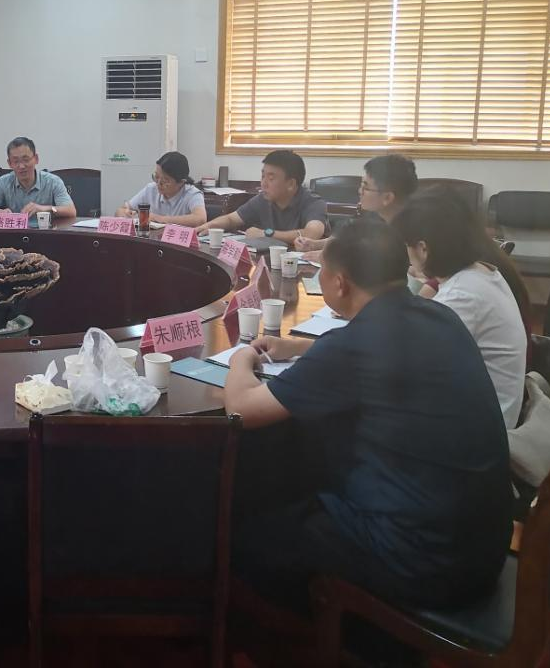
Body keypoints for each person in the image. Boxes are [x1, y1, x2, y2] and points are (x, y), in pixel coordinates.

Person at [224, 219, 511, 610]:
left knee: (249, 532)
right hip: (480, 547)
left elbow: (241, 409)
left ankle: (314, 631)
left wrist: (241, 359)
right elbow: (377, 356)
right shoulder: (439, 316)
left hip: (419, 559)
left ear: (340, 283)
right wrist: (299, 348)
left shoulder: (356, 346)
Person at [393, 188, 529, 428]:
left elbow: (407, 365)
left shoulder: (462, 296)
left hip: (480, 431)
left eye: (406, 246)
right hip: (478, 413)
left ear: (423, 249)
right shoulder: (479, 272)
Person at [294, 154, 418, 256]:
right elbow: (345, 237)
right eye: (361, 185)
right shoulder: (371, 213)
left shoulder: (414, 228)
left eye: (365, 187)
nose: (359, 191)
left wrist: (332, 258)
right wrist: (315, 244)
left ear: (387, 198)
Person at [198, 149, 326, 246]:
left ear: (291, 184)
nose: (263, 183)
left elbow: (312, 234)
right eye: (263, 176)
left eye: (271, 178)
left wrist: (266, 234)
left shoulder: (313, 202)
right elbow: (231, 219)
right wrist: (209, 226)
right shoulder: (263, 199)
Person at [0, 137, 77, 220]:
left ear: (36, 159)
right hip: (14, 234)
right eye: (16, 161)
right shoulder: (4, 182)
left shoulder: (53, 181)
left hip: (45, 234)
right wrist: (0, 212)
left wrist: (45, 209)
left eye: (26, 160)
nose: (21, 166)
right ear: (10, 163)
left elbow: (71, 211)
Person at [117, 151, 206, 228]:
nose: (158, 183)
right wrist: (126, 214)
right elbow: (121, 209)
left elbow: (200, 218)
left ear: (181, 182)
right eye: (156, 177)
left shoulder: (192, 194)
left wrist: (158, 219)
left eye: (165, 180)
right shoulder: (151, 189)